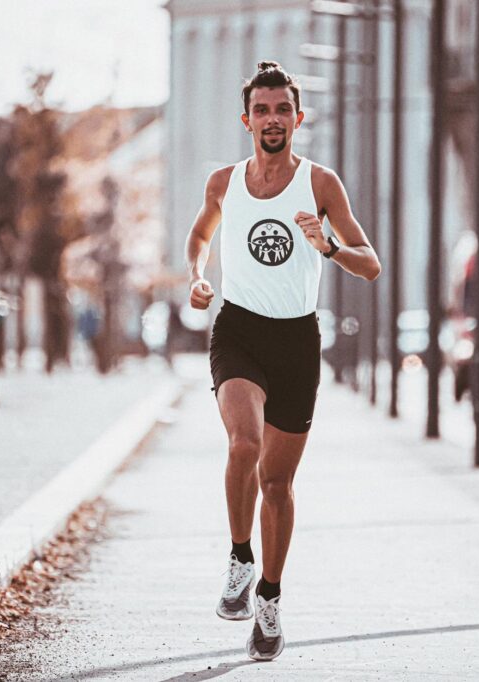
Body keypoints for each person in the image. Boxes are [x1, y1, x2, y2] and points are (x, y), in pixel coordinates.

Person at [184, 61, 381, 661]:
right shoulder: (224, 182)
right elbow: (200, 238)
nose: (273, 120)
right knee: (243, 445)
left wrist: (329, 245)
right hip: (239, 329)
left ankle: (269, 597)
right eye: (262, 110)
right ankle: (240, 558)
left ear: (299, 118)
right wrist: (196, 277)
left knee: (278, 481)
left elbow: (370, 263)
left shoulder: (321, 185)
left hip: (297, 340)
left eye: (283, 110)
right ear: (247, 120)